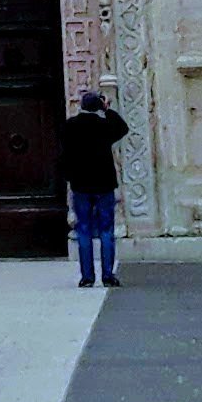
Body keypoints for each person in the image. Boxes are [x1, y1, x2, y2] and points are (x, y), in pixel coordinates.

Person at [59, 86, 130, 288]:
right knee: (106, 230)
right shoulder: (104, 125)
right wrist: (107, 109)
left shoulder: (70, 126)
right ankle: (108, 275)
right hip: (104, 183)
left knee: (84, 230)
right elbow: (122, 128)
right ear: (99, 105)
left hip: (80, 184)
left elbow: (64, 150)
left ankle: (87, 277)